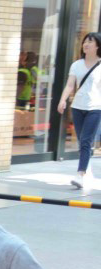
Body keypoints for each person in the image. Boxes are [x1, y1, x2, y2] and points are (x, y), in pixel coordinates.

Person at [57, 32, 101, 190]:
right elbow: (70, 85)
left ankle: (80, 174)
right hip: (77, 107)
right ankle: (86, 167)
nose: (86, 44)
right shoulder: (76, 65)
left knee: (86, 141)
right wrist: (62, 100)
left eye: (90, 41)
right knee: (83, 140)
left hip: (95, 108)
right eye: (85, 41)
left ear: (97, 46)